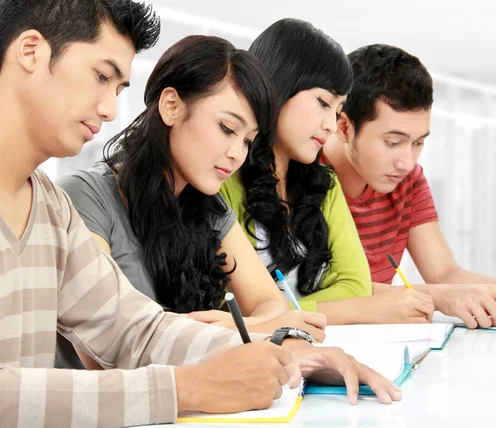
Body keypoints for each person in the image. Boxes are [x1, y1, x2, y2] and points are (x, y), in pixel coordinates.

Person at [0, 1, 401, 424]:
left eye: (117, 89)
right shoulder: (82, 196)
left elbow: (135, 329)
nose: (110, 110)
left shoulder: (49, 207)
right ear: (30, 51)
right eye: (101, 76)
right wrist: (192, 387)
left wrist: (287, 354)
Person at [55, 34, 327, 370]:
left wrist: (235, 325)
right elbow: (104, 350)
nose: (236, 154)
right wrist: (250, 330)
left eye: (248, 141)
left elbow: (270, 303)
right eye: (227, 128)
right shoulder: (84, 197)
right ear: (171, 106)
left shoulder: (209, 208)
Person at [322, 43, 496, 329]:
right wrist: (437, 297)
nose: (406, 161)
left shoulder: (408, 180)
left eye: (418, 142)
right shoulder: (305, 177)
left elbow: (443, 274)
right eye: (392, 142)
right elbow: (317, 292)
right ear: (343, 127)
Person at [220, 18, 435, 325]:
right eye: (322, 102)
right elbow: (226, 312)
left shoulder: (324, 184)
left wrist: (280, 315)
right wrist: (360, 309)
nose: (330, 125)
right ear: (278, 85)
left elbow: (355, 285)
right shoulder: (223, 178)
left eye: (337, 110)